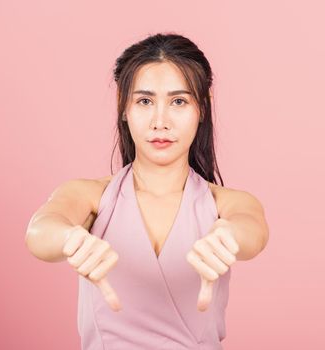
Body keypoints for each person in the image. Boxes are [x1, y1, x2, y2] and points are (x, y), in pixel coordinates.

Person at [24, 32, 269, 350]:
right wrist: (68, 239)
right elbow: (41, 229)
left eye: (179, 101)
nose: (160, 121)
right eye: (144, 101)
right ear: (123, 107)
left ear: (202, 109)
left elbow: (253, 231)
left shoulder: (227, 203)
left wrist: (231, 237)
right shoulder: (90, 197)